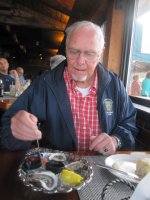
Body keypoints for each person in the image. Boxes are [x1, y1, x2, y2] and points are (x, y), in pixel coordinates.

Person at [1, 21, 138, 154]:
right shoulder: (44, 83)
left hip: (102, 171)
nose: (80, 61)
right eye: (73, 51)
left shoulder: (115, 85)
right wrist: (16, 131)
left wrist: (116, 140)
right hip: (56, 171)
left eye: (89, 53)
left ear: (100, 53)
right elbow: (6, 130)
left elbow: (129, 127)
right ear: (66, 49)